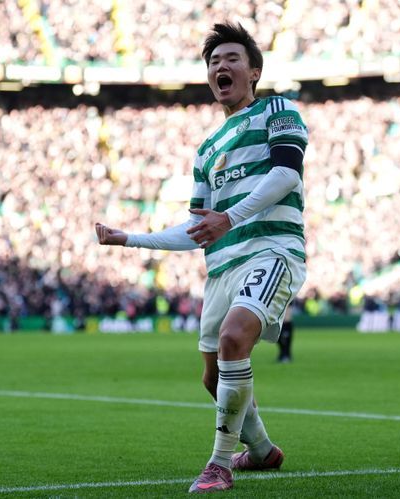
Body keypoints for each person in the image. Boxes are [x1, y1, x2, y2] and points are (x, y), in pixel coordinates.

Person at [95, 22, 308, 493]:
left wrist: (229, 218)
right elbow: (197, 230)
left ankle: (219, 465)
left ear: (254, 71)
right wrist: (131, 239)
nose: (220, 67)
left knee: (234, 338)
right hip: (222, 269)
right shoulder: (207, 150)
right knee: (213, 378)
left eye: (232, 58)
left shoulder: (278, 110)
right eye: (213, 62)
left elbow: (286, 174)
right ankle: (261, 451)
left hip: (271, 251)